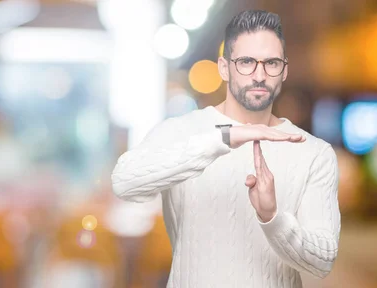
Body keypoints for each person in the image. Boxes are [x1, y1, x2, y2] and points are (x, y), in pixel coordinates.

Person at [110, 9, 340, 288]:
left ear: (285, 70)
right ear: (224, 68)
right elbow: (124, 182)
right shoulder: (180, 131)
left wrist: (272, 218)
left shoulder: (314, 152)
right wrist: (223, 138)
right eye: (245, 62)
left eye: (271, 63)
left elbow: (323, 260)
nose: (259, 75)